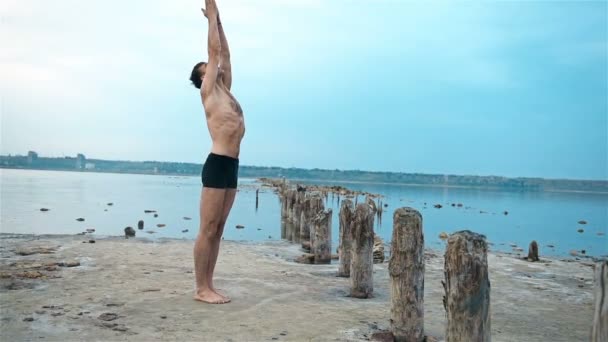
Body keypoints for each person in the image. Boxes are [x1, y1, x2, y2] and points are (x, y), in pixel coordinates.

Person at [189, 0, 245, 304]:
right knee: (207, 228)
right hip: (217, 164)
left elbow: (224, 54)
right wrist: (210, 13)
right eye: (209, 70)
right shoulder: (208, 91)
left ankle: (209, 284)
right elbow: (213, 53)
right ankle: (200, 289)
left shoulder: (227, 89)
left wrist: (220, 21)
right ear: (203, 78)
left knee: (219, 229)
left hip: (232, 165)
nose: (216, 69)